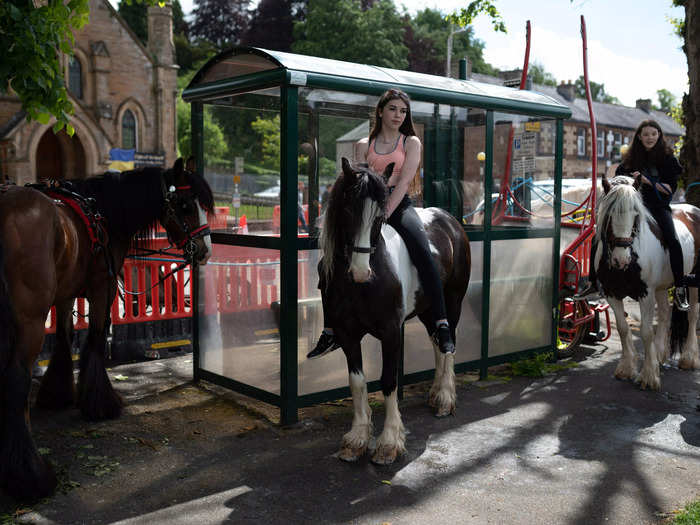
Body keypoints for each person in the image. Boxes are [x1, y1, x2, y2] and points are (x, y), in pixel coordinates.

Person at [308, 88, 456, 358]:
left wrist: (385, 212)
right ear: (380, 111)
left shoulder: (411, 143)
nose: (398, 115)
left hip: (398, 206)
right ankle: (330, 331)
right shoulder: (363, 145)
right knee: (326, 263)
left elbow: (403, 182)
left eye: (403, 111)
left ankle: (441, 323)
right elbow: (357, 184)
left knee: (423, 253)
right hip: (367, 210)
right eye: (393, 109)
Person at [576, 119, 688, 310]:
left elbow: (669, 189)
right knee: (598, 235)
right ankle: (593, 282)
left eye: (653, 134)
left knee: (673, 239)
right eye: (645, 134)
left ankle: (679, 288)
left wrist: (647, 180)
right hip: (631, 209)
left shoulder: (669, 159)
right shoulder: (630, 160)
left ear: (659, 135)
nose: (649, 137)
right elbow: (619, 183)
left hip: (657, 208)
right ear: (639, 137)